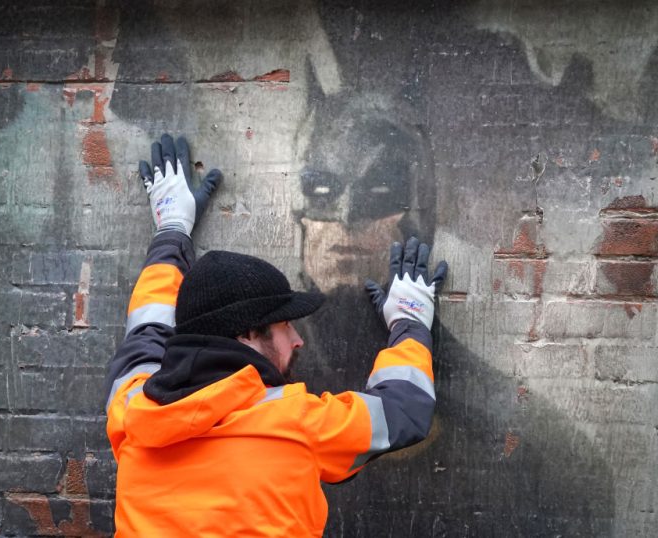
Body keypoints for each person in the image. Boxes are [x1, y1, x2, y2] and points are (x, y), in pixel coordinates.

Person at [104, 133, 448, 536]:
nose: (297, 340)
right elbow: (403, 411)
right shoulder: (298, 424)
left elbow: (147, 332)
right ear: (249, 334)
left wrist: (171, 230)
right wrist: (409, 321)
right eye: (285, 325)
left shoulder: (133, 408)